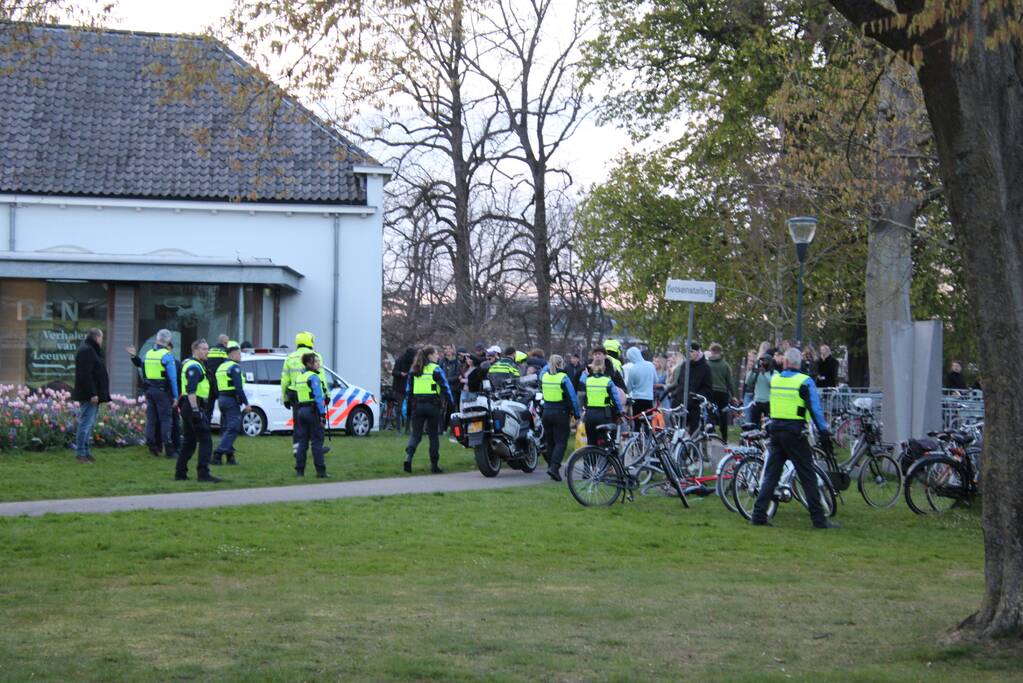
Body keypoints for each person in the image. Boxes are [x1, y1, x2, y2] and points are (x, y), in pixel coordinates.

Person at [751, 348, 839, 529]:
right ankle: (819, 519)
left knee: (771, 476)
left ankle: (759, 515)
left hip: (776, 431)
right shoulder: (805, 382)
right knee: (808, 477)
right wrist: (824, 431)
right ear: (800, 364)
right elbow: (815, 409)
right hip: (795, 433)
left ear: (785, 363)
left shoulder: (776, 380)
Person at [175, 339, 220, 483]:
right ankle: (203, 473)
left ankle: (180, 473)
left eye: (207, 349)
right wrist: (195, 410)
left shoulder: (194, 364)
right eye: (203, 349)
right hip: (193, 406)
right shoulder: (194, 366)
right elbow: (191, 390)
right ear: (195, 350)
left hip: (188, 406)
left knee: (189, 442)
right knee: (206, 440)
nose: (207, 351)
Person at [404, 346, 454, 473]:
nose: (438, 356)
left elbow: (408, 391)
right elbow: (446, 388)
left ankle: (408, 458)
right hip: (433, 406)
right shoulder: (436, 369)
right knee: (433, 436)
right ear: (430, 355)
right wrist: (451, 404)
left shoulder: (415, 369)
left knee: (416, 435)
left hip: (417, 406)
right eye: (437, 353)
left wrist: (409, 409)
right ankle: (434, 465)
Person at [281, 331, 327, 452]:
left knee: (298, 423)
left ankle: (297, 449)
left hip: (295, 394)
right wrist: (326, 394)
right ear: (310, 341)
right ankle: (318, 446)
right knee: (316, 422)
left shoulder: (289, 358)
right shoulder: (315, 356)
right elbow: (321, 378)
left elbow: (284, 381)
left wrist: (285, 398)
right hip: (310, 395)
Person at [136, 329, 179, 459]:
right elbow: (172, 378)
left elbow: (143, 372)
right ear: (168, 341)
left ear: (157, 338)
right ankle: (169, 449)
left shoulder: (147, 354)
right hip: (162, 391)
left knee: (152, 419)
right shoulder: (166, 355)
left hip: (149, 389)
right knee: (166, 419)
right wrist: (176, 396)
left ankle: (152, 445)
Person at [540, 355, 581, 481]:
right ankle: (554, 467)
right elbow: (572, 397)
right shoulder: (563, 378)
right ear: (561, 364)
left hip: (546, 412)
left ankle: (551, 467)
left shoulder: (544, 377)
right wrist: (576, 413)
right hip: (560, 412)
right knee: (561, 441)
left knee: (550, 441)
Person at [72, 328, 110, 463]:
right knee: (85, 424)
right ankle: (81, 453)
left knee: (88, 424)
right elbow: (86, 375)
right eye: (102, 338)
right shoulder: (87, 350)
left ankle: (86, 451)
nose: (102, 340)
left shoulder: (89, 349)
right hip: (89, 396)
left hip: (92, 395)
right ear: (97, 337)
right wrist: (93, 393)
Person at [293, 352, 330, 478]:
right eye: (316, 361)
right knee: (317, 442)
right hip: (312, 411)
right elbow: (318, 398)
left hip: (301, 411)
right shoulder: (314, 377)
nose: (318, 364)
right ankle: (321, 471)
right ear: (309, 363)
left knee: (302, 443)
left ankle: (299, 471)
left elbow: (293, 393)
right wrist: (323, 415)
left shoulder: (300, 377)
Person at [212, 341, 249, 466]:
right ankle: (218, 453)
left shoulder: (221, 367)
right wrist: (246, 403)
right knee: (233, 428)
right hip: (231, 400)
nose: (240, 357)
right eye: (239, 354)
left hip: (222, 399)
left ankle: (230, 457)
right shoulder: (234, 367)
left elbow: (216, 386)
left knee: (227, 428)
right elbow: (238, 388)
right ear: (232, 355)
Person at [671, 342, 714, 435]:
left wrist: (697, 397)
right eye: (687, 351)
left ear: (698, 352)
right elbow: (679, 382)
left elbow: (707, 387)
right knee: (677, 434)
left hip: (694, 406)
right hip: (681, 403)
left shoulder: (705, 368)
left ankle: (695, 448)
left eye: (691, 351)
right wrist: (675, 395)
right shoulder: (685, 365)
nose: (689, 354)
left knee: (694, 434)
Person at [583, 348, 624, 446]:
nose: (597, 356)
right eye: (595, 354)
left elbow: (622, 387)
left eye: (599, 354)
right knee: (606, 443)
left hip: (599, 413)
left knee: (592, 442)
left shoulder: (613, 370)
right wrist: (620, 413)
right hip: (603, 414)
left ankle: (590, 461)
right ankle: (603, 460)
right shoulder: (587, 370)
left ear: (605, 356)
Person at [706, 343, 737, 442]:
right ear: (720, 352)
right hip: (723, 393)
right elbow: (730, 382)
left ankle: (710, 434)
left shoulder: (707, 364)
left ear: (711, 351)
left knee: (710, 413)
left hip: (710, 392)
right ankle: (724, 438)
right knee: (723, 415)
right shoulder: (725, 365)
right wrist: (733, 395)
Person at [204, 334, 230, 420]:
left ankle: (207, 425)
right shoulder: (225, 352)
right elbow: (228, 366)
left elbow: (205, 364)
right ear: (224, 342)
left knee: (209, 407)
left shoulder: (210, 350)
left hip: (209, 381)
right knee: (223, 406)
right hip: (220, 383)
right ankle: (223, 426)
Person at [745, 353, 775, 426]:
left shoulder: (774, 373)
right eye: (761, 361)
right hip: (757, 401)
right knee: (754, 424)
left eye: (765, 361)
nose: (762, 363)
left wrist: (764, 374)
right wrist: (752, 372)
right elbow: (747, 382)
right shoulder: (758, 372)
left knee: (768, 425)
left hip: (769, 402)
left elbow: (773, 384)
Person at [625, 346, 656, 415]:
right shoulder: (650, 365)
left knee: (637, 421)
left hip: (637, 399)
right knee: (648, 421)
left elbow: (629, 388)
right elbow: (656, 380)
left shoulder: (633, 369)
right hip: (649, 398)